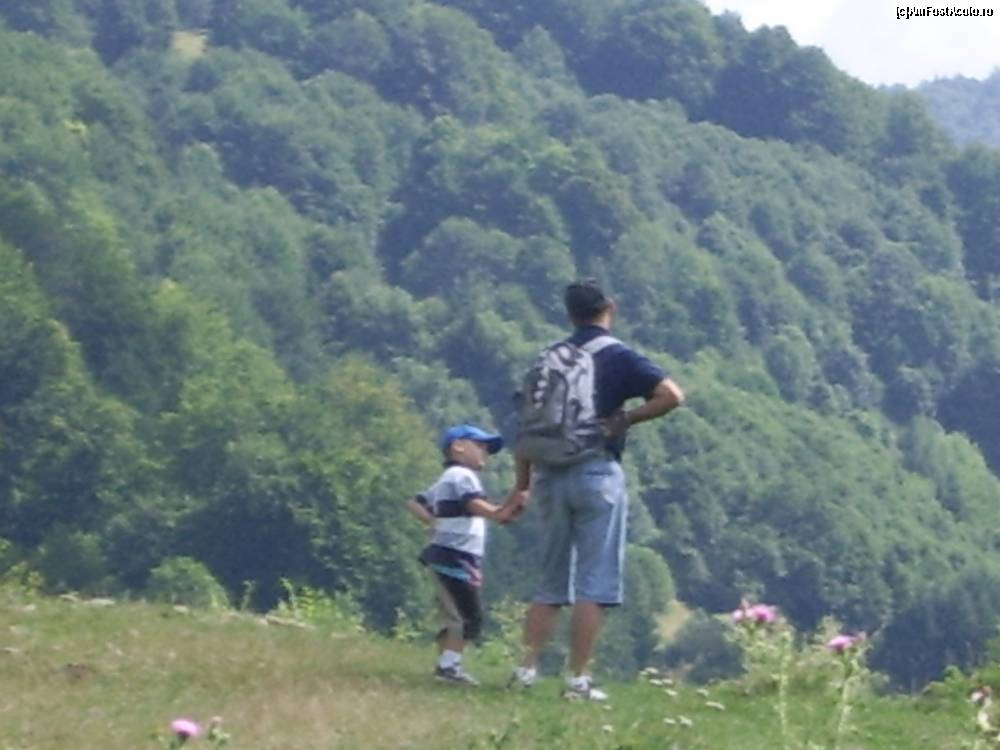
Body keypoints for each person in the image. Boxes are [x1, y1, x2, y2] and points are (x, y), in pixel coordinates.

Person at [508, 279, 685, 701]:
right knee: (595, 582)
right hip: (596, 472)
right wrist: (627, 419)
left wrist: (521, 485)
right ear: (610, 307)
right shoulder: (618, 355)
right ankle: (577, 681)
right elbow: (671, 396)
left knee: (550, 582)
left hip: (549, 476)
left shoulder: (548, 358)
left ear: (569, 315)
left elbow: (527, 428)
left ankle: (525, 671)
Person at [405, 424, 524, 686]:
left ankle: (447, 659)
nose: (485, 453)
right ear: (458, 446)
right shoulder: (462, 475)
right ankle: (448, 668)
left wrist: (432, 522)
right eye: (479, 446)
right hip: (454, 556)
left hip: (449, 555)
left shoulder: (446, 479)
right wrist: (496, 513)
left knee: (457, 615)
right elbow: (472, 502)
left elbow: (414, 503)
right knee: (469, 617)